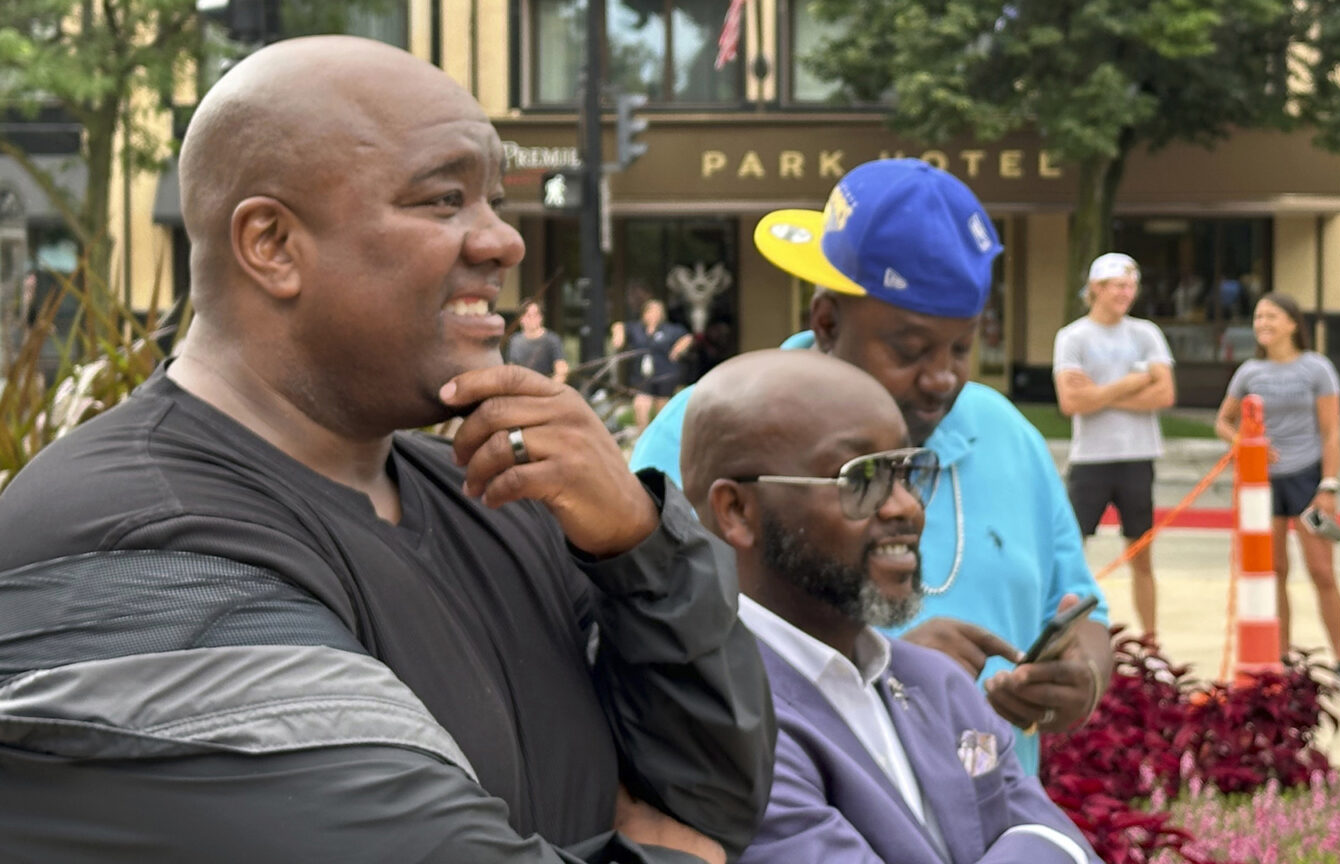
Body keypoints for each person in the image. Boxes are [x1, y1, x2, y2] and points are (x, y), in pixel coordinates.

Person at [0, 36, 773, 862]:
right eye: (443, 200)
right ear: (272, 244)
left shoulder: (504, 497)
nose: (503, 243)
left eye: (493, 202)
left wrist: (637, 547)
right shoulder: (127, 543)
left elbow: (718, 802)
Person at [631, 158, 1113, 776]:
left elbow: (1084, 615)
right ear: (827, 321)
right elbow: (648, 648)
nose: (942, 378)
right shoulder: (703, 431)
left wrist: (1080, 681)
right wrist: (877, 675)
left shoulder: (1009, 435)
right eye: (909, 349)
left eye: (963, 347)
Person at [680, 349, 1102, 864]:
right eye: (862, 479)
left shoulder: (937, 682)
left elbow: (1065, 843)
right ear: (737, 511)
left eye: (907, 472)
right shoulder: (715, 719)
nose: (906, 507)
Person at [1214, 291, 1340, 695]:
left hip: (1306, 477)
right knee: (1274, 572)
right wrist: (1245, 444)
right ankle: (1279, 661)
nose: (1263, 324)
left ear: (1293, 323)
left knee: (1321, 571)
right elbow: (1223, 422)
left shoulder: (1316, 369)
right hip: (1263, 484)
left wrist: (1328, 485)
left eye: (1272, 317)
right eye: (1259, 317)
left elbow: (1331, 432)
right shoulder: (1249, 372)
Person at [1053, 252, 1175, 643]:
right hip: (1090, 459)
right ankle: (1065, 631)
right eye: (1118, 286)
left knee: (1142, 554)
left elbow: (1165, 392)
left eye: (1131, 286)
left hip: (1138, 457)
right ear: (1096, 289)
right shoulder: (1073, 337)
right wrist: (1132, 382)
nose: (1126, 293)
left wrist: (1099, 395)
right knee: (1072, 552)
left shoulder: (1145, 334)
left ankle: (1151, 639)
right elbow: (1071, 403)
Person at [611, 297, 692, 431]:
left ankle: (661, 437)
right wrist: (618, 335)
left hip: (664, 374)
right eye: (650, 312)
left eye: (656, 312)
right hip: (642, 375)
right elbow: (618, 325)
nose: (653, 315)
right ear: (644, 313)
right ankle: (643, 436)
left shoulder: (670, 330)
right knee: (640, 405)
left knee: (662, 409)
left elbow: (687, 337)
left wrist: (678, 349)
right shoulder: (636, 328)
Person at [505, 298, 569, 384]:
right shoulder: (515, 341)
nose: (532, 319)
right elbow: (511, 369)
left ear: (541, 317)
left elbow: (561, 370)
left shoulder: (552, 340)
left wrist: (551, 388)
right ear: (521, 319)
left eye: (536, 315)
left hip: (545, 387)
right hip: (521, 388)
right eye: (528, 315)